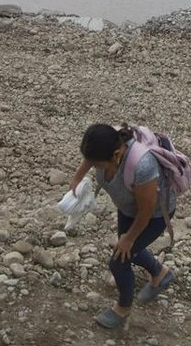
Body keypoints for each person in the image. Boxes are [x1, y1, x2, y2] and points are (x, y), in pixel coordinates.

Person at [70, 124, 176, 329]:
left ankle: (123, 309)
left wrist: (129, 238)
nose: (94, 167)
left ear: (116, 154)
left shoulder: (143, 166)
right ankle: (160, 273)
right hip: (127, 206)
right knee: (127, 251)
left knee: (119, 260)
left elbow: (145, 212)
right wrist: (77, 177)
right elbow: (90, 157)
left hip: (153, 215)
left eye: (99, 165)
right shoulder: (107, 142)